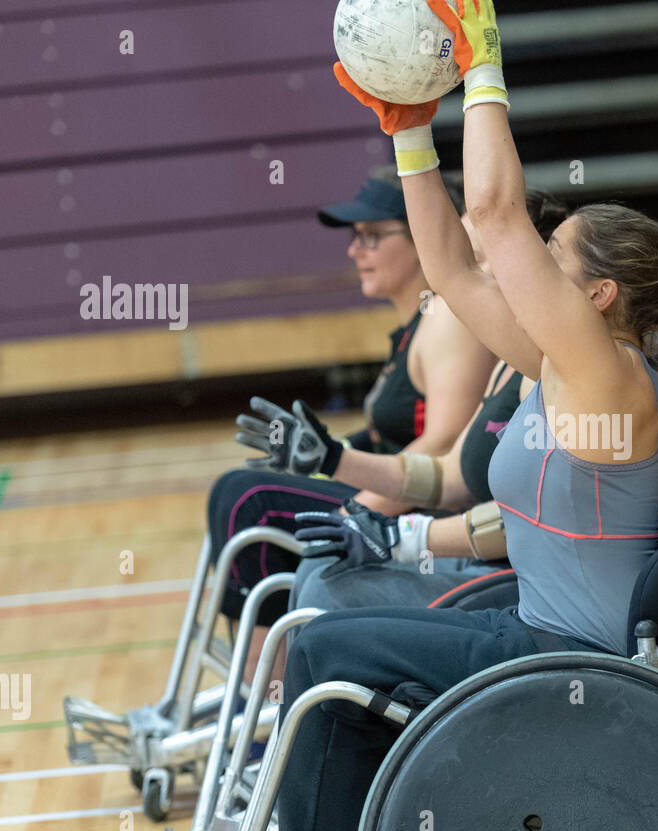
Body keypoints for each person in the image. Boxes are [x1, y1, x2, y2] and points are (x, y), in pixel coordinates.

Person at [274, 0, 658, 831]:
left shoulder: (610, 377)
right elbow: (451, 268)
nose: (532, 258)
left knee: (321, 643)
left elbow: (496, 218)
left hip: (565, 661)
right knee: (335, 645)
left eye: (556, 253)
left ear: (598, 297)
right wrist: (407, 133)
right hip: (529, 632)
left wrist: (483, 65)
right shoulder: (561, 366)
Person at [206, 169, 495, 637]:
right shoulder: (417, 324)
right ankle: (251, 689)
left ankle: (264, 694)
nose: (354, 250)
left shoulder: (446, 317)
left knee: (248, 499)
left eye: (373, 236)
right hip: (403, 494)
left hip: (428, 510)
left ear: (424, 233)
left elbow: (443, 442)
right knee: (241, 492)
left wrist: (352, 515)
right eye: (356, 237)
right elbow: (389, 437)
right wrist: (327, 454)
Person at [287, 190, 570, 615]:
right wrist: (332, 460)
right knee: (322, 567)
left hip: (525, 590)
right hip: (475, 559)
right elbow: (445, 477)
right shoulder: (508, 365)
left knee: (325, 588)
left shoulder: (563, 373)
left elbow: (531, 521)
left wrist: (403, 536)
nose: (465, 278)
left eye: (477, 260)